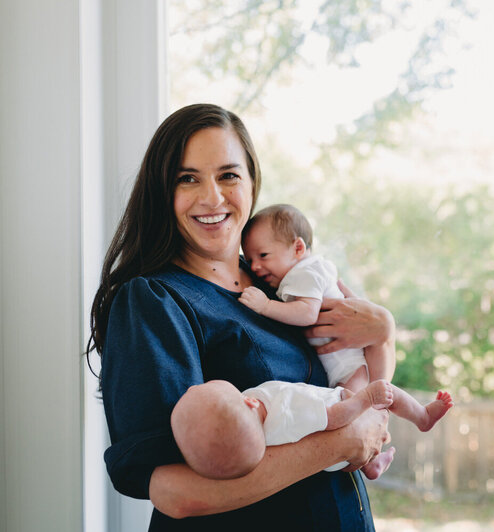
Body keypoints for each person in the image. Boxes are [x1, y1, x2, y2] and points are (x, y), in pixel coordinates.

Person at [87, 103, 393, 531]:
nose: (212, 197)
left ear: (252, 183)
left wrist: (384, 332)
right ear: (162, 192)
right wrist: (342, 441)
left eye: (228, 175)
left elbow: (355, 358)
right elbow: (176, 492)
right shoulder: (152, 302)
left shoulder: (280, 284)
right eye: (187, 178)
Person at [239, 204, 454, 436]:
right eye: (249, 259)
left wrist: (266, 306)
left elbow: (306, 313)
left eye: (263, 255)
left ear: (298, 248)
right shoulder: (309, 270)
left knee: (352, 411)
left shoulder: (303, 273)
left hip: (345, 365)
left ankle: (419, 419)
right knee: (373, 399)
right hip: (348, 361)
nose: (255, 266)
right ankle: (417, 420)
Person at [171, 379, 400, 481]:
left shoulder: (250, 435)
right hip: (341, 424)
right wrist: (367, 398)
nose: (192, 386)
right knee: (390, 394)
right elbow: (332, 419)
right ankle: (372, 463)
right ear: (249, 401)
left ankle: (372, 466)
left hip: (336, 459)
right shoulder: (283, 411)